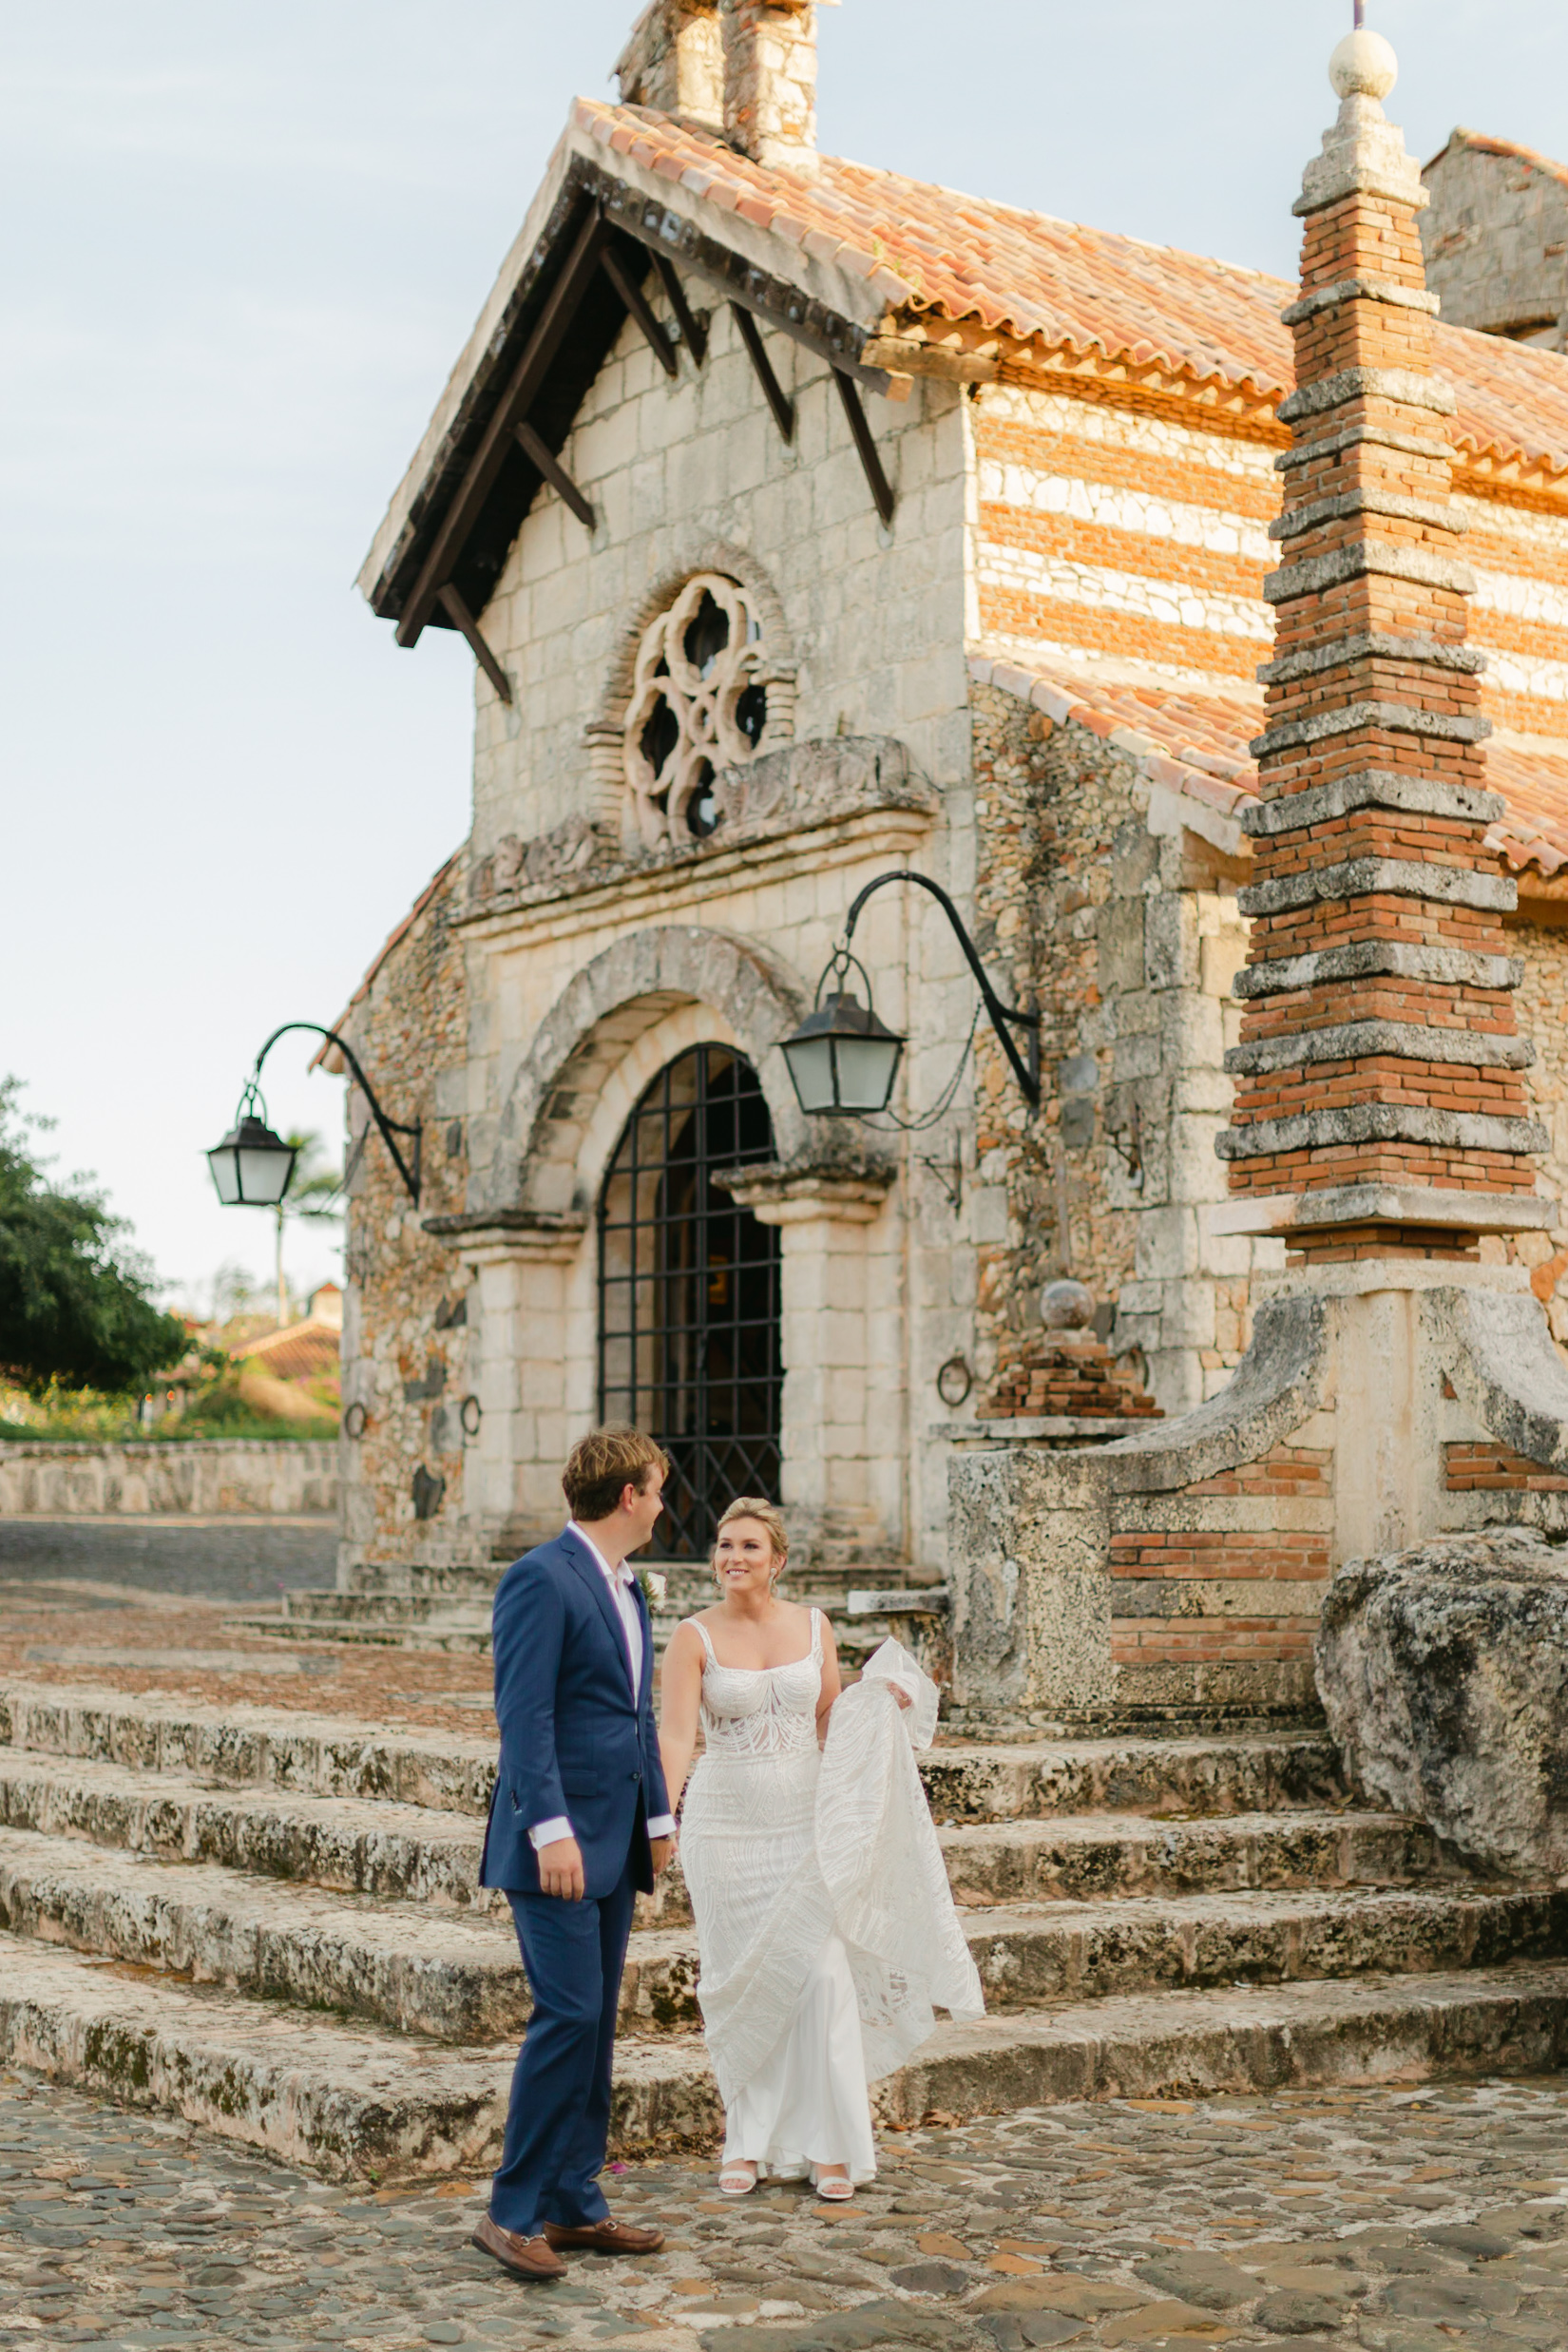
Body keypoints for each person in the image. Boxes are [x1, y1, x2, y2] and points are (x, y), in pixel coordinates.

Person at [659, 1498, 983, 2203]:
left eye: (748, 1545)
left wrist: (875, 1700)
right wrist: (662, 1820)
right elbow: (677, 1736)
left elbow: (829, 1716)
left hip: (806, 1825)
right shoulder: (692, 1637)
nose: (733, 1556)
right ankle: (747, 2141)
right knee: (743, 1988)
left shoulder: (814, 1625)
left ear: (777, 1560)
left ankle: (833, 2144)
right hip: (725, 1830)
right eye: (723, 1544)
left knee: (826, 1979)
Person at [472, 1427, 677, 2282]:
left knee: (595, 2027)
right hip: (555, 1843)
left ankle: (575, 2202)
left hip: (618, 1833)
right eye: (659, 1489)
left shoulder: (630, 1590)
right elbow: (525, 1716)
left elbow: (634, 1715)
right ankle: (511, 2211)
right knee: (569, 2013)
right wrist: (546, 1826)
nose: (665, 1504)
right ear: (628, 1494)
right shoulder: (539, 1578)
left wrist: (657, 1817)